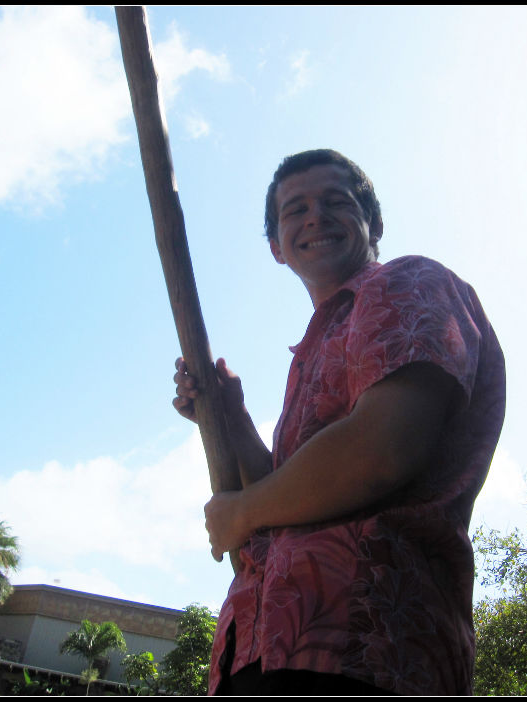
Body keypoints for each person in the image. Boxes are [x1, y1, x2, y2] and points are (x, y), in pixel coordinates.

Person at [172, 149, 505, 695]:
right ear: (276, 248)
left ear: (374, 222)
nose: (314, 217)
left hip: (365, 642)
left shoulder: (408, 284)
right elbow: (285, 502)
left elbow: (382, 449)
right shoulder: (315, 346)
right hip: (262, 647)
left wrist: (241, 511)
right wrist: (231, 415)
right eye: (294, 209)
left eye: (335, 201)